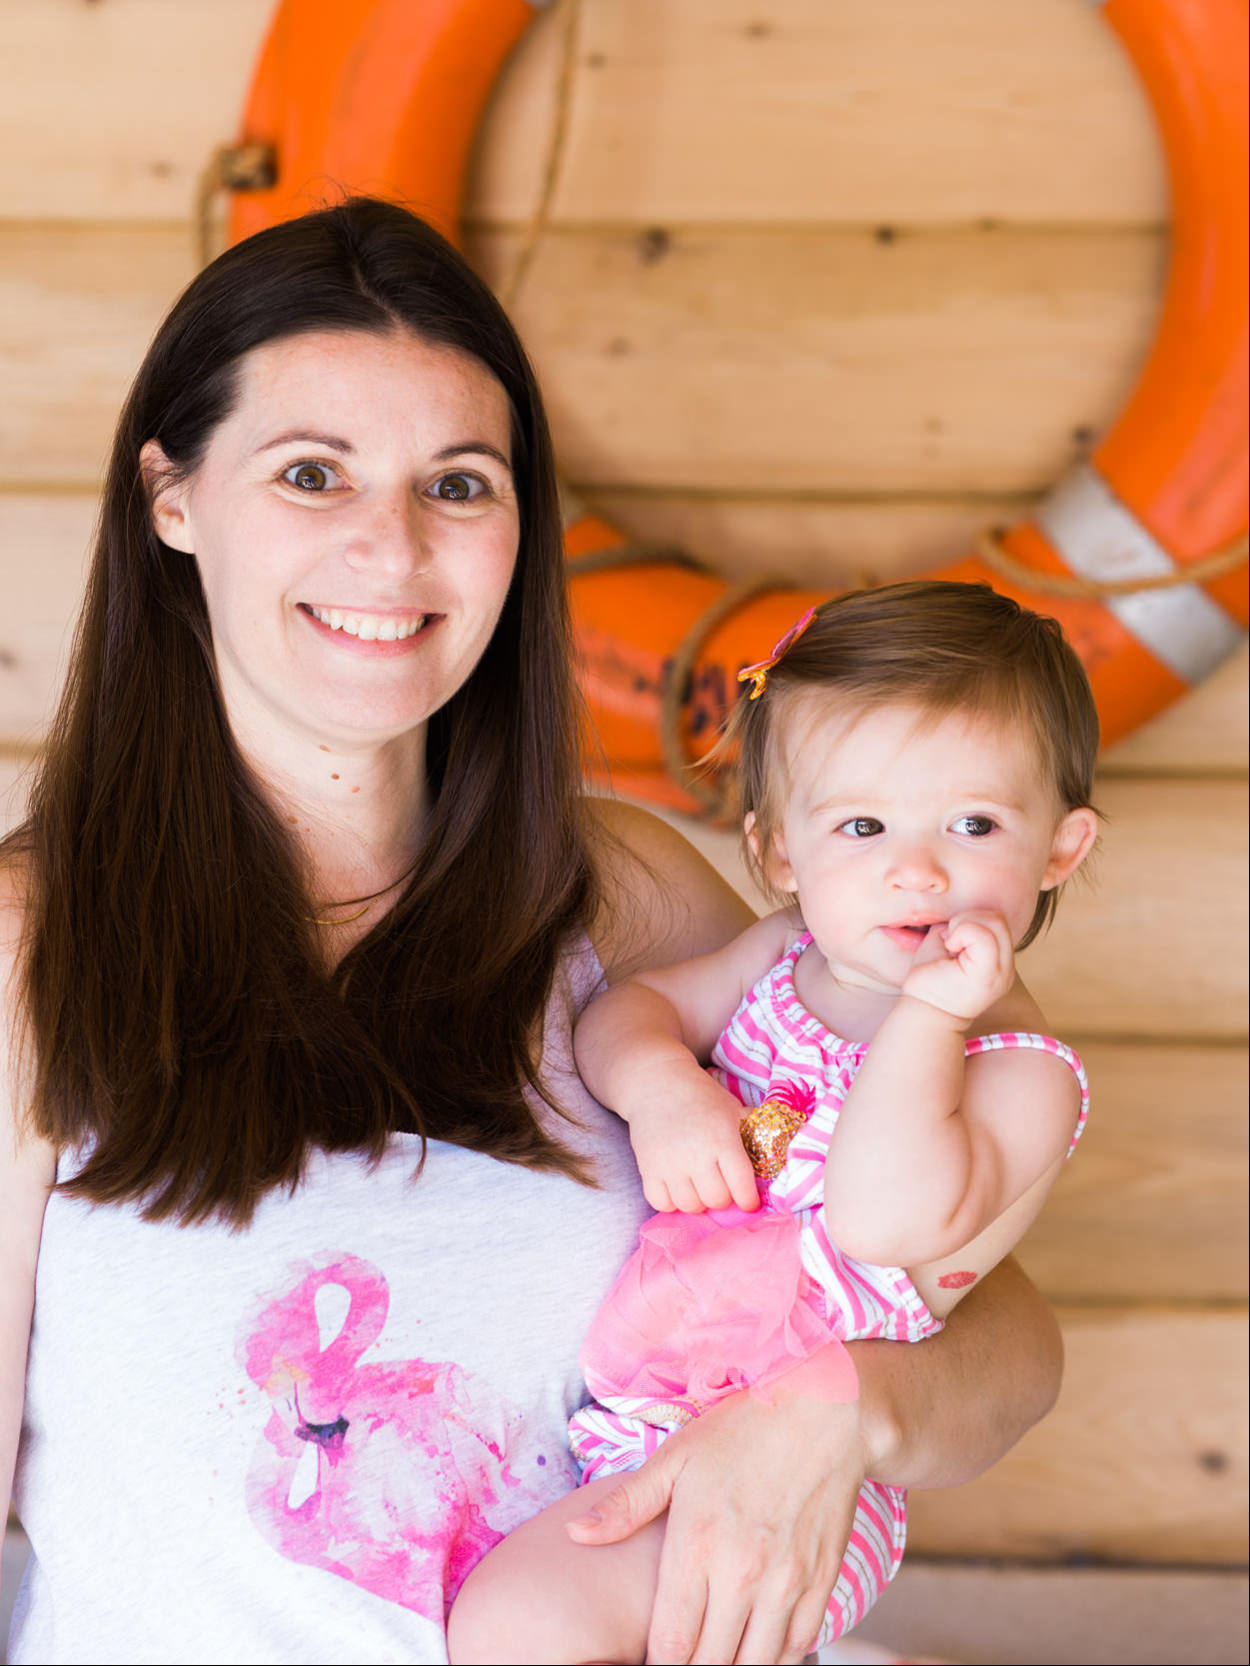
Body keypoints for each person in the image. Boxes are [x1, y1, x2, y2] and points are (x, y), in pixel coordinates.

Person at [0, 198, 1064, 1666]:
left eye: (458, 484)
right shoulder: (25, 951)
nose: (392, 549)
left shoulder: (628, 899)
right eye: (313, 473)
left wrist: (836, 1406)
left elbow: (998, 1341)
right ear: (171, 498)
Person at [448, 582, 1099, 1664]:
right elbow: (630, 1013)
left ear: (1059, 849)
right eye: (860, 824)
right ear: (782, 854)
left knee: (525, 1627)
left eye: (974, 823)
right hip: (650, 1412)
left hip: (790, 1474)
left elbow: (883, 1219)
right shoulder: (778, 956)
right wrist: (663, 1086)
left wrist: (929, 1017)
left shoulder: (1022, 1074)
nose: (917, 868)